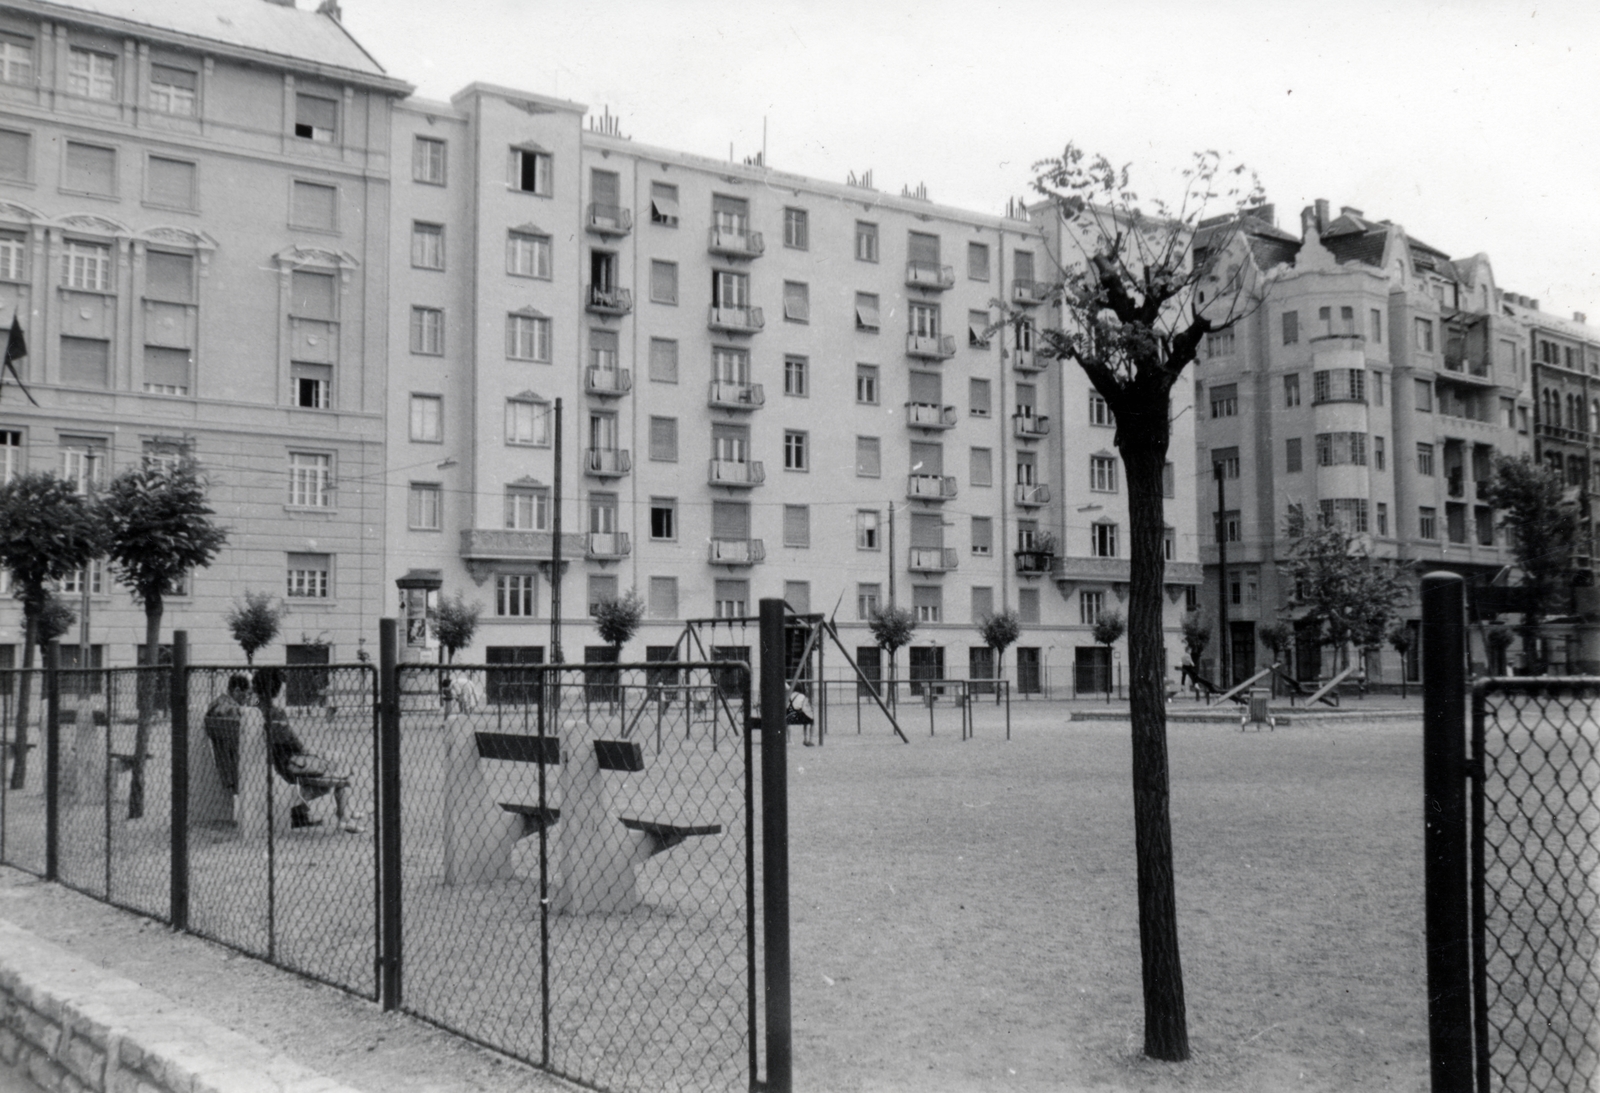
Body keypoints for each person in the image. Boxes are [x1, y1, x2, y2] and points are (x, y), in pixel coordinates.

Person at [252, 668, 362, 832]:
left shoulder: (254, 711)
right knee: (339, 765)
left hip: (277, 765)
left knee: (334, 763)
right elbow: (290, 741)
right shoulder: (276, 713)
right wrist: (308, 753)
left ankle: (346, 813)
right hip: (290, 766)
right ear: (275, 689)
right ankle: (344, 816)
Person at [202, 674, 250, 796]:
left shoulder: (214, 704)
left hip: (221, 765)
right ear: (237, 691)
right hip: (236, 768)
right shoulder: (231, 710)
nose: (247, 698)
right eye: (247, 694)